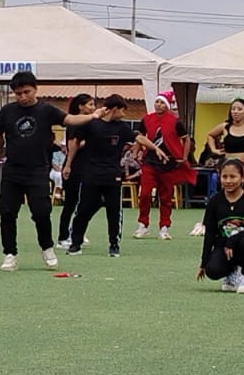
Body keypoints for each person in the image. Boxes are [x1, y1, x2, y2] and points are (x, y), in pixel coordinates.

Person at [0, 70, 102, 271]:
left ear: (35, 89)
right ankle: (10, 254)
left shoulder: (46, 110)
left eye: (27, 92)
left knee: (41, 212)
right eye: (18, 93)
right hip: (12, 170)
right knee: (7, 212)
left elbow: (70, 120)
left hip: (37, 170)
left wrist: (92, 116)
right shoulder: (7, 111)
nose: (23, 97)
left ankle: (47, 247)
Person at [68, 96, 159, 257]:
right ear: (115, 109)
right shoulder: (91, 124)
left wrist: (156, 149)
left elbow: (139, 138)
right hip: (91, 175)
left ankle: (114, 245)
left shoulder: (122, 127)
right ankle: (75, 243)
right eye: (122, 110)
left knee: (114, 212)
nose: (124, 114)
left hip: (112, 176)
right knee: (83, 210)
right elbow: (75, 143)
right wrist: (68, 163)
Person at [196, 159, 244, 295]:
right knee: (213, 270)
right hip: (224, 246)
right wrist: (203, 263)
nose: (228, 181)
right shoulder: (214, 201)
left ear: (242, 178)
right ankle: (231, 272)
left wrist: (232, 241)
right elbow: (210, 233)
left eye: (233, 177)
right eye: (224, 177)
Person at [135, 94, 195, 240]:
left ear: (167, 106)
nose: (158, 105)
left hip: (169, 162)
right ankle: (143, 224)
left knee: (166, 197)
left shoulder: (175, 122)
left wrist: (184, 156)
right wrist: (136, 152)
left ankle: (164, 227)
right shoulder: (146, 119)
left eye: (162, 103)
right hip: (150, 160)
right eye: (157, 102)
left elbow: (186, 139)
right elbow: (138, 137)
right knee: (145, 194)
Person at [56, 94, 98, 249]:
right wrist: (88, 141)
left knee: (86, 202)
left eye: (93, 105)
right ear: (81, 106)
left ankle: (77, 231)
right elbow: (72, 145)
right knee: (70, 203)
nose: (93, 108)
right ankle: (62, 237)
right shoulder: (74, 122)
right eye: (90, 104)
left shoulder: (92, 123)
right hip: (74, 166)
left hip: (87, 167)